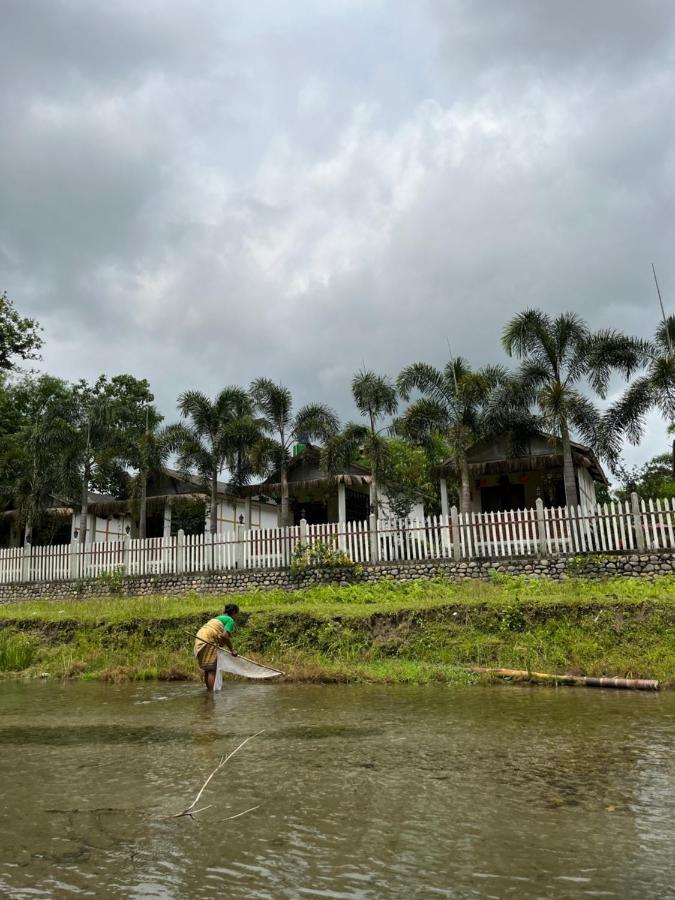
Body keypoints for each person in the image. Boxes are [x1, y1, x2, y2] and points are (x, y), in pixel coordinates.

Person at [194, 604, 240, 691]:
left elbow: (220, 637)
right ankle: (212, 695)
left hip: (200, 637)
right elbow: (225, 636)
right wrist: (232, 649)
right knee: (212, 669)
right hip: (208, 638)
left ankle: (209, 693)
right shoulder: (230, 620)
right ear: (234, 612)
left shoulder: (218, 618)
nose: (237, 617)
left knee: (207, 668)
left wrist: (221, 643)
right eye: (237, 614)